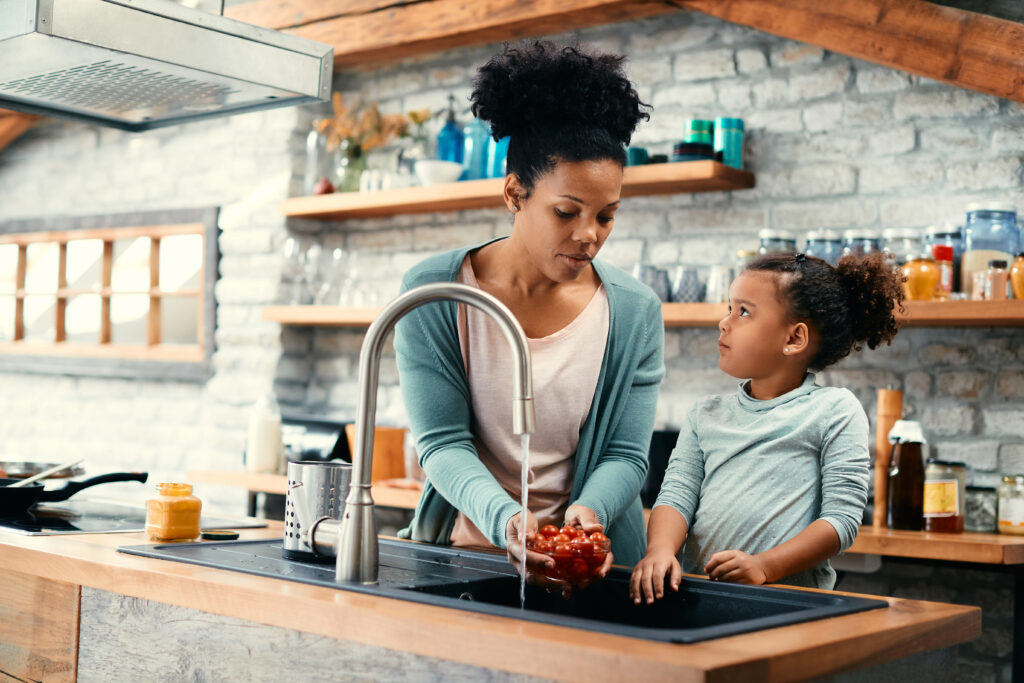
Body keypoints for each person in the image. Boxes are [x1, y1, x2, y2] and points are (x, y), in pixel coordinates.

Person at [394, 41, 664, 586]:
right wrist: (509, 522)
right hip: (467, 559)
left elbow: (627, 457)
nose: (589, 235)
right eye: (567, 212)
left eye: (607, 216)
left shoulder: (634, 312)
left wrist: (585, 520)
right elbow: (442, 445)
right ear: (515, 192)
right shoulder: (437, 294)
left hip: (596, 567)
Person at [630, 251, 904, 603]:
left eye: (743, 312)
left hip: (788, 604)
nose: (724, 323)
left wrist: (765, 566)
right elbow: (676, 496)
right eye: (728, 309)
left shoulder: (834, 410)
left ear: (794, 339)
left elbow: (841, 521)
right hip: (698, 596)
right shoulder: (705, 414)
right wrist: (660, 551)